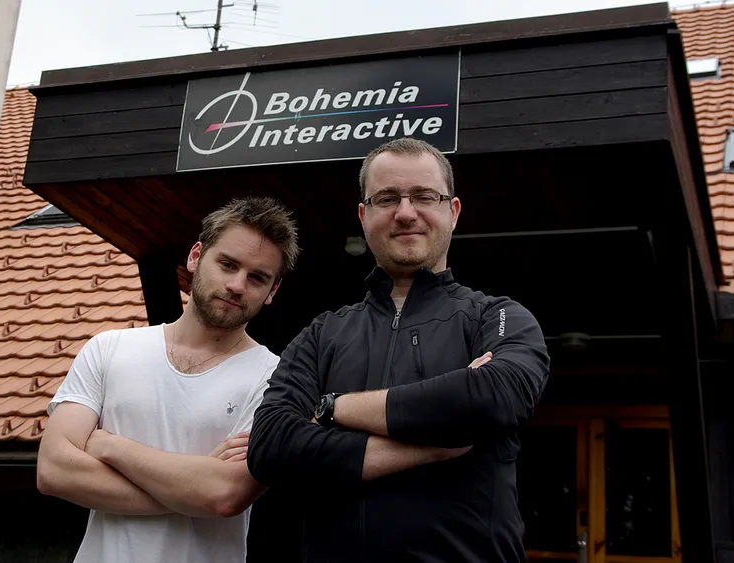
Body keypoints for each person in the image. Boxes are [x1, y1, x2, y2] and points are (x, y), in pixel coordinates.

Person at [247, 137, 551, 563]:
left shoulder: (497, 317)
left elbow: (494, 396)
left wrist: (332, 407)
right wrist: (433, 442)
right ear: (364, 215)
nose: (405, 213)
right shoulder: (323, 334)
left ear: (453, 211)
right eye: (387, 198)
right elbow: (270, 447)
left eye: (424, 196)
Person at [37, 196, 300, 563]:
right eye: (227, 264)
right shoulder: (108, 349)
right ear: (195, 256)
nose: (237, 285)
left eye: (257, 278)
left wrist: (110, 446)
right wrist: (191, 488)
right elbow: (54, 470)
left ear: (272, 291)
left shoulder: (276, 380)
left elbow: (224, 496)